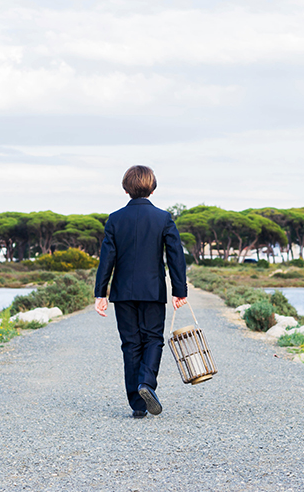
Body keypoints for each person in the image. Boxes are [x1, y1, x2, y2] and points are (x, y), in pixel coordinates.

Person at [94, 165, 188, 418]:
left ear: (125, 189)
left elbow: (107, 259)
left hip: (122, 292)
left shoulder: (114, 219)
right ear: (153, 188)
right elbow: (175, 256)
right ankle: (147, 383)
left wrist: (100, 293)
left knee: (130, 343)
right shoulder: (163, 218)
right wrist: (179, 290)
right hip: (152, 290)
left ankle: (137, 404)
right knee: (153, 339)